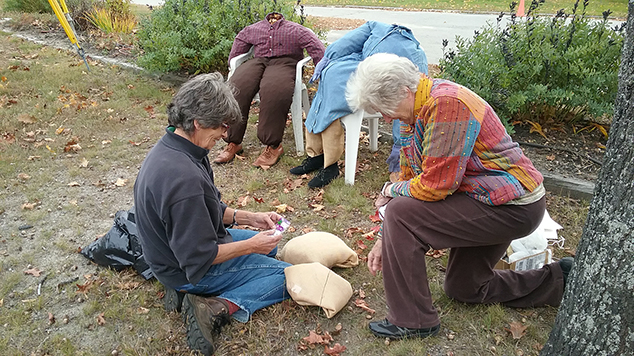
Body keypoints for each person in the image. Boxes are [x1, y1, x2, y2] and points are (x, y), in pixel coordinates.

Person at [345, 53, 573, 339]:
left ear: (405, 90)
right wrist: (383, 237)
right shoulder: (415, 111)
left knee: (403, 214)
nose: (386, 117)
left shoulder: (448, 104)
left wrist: (389, 192)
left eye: (385, 109)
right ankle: (560, 279)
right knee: (465, 288)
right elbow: (409, 175)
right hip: (483, 199)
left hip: (512, 206)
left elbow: (435, 186)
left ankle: (414, 320)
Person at [133, 73, 291, 356]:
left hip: (172, 253)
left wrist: (249, 217)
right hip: (185, 268)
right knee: (288, 277)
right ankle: (214, 307)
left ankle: (184, 291)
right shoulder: (184, 180)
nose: (224, 134)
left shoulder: (181, 146)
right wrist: (252, 244)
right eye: (221, 126)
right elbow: (199, 257)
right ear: (197, 122)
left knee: (272, 247)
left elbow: (208, 209)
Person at [290, 21, 428, 188]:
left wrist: (400, 160)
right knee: (329, 80)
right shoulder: (376, 28)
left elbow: (409, 114)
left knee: (333, 99)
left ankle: (330, 165)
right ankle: (317, 156)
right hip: (360, 68)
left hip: (385, 80)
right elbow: (348, 42)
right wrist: (329, 56)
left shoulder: (412, 63)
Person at [214, 12, 325, 168]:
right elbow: (240, 41)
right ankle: (233, 141)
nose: (273, 22)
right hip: (259, 61)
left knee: (275, 91)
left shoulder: (296, 30)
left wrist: (321, 71)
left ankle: (273, 146)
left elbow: (317, 47)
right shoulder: (255, 28)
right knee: (236, 87)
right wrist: (233, 60)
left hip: (285, 62)